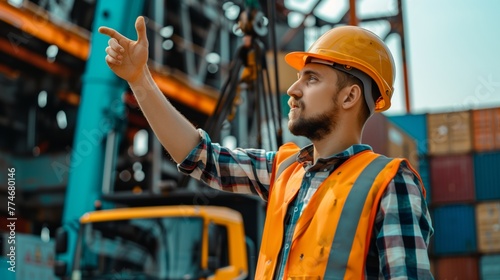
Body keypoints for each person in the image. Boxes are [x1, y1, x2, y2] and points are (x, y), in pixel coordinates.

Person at [99, 16, 434, 279]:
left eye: (312, 79)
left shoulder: (389, 183)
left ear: (350, 96)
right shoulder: (284, 171)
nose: (293, 89)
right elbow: (198, 156)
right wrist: (139, 79)